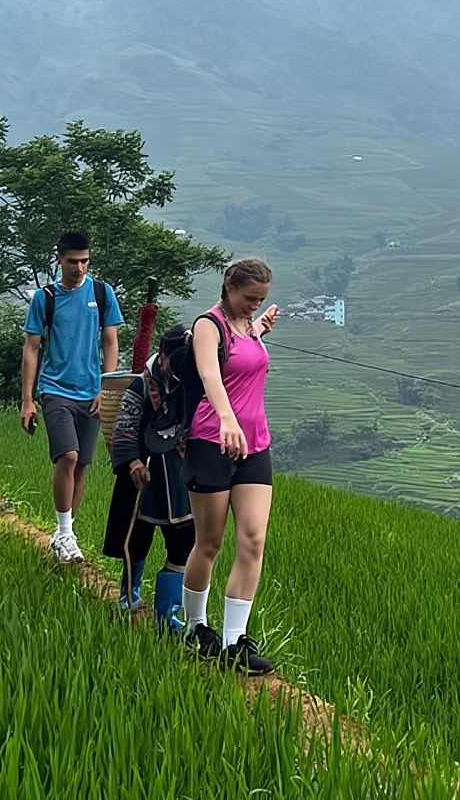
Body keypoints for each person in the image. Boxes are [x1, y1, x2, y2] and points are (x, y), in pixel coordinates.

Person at [181, 258, 280, 676]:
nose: (254, 306)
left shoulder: (247, 326)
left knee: (253, 539)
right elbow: (211, 376)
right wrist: (226, 419)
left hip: (255, 443)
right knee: (210, 542)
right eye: (249, 298)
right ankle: (195, 626)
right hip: (212, 441)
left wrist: (258, 329)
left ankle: (234, 641)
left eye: (260, 300)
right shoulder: (209, 325)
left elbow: (244, 357)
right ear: (229, 286)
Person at [21, 231, 123, 563]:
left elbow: (110, 341)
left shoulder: (102, 293)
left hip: (91, 392)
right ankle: (65, 533)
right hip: (55, 389)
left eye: (84, 261)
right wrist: (27, 399)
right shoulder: (45, 298)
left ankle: (65, 535)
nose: (79, 268)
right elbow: (32, 348)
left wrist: (106, 386)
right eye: (72, 262)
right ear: (59, 260)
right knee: (68, 456)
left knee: (81, 465)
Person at [103, 325, 195, 630]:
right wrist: (133, 464)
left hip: (182, 478)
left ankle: (168, 614)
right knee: (136, 540)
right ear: (163, 355)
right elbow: (124, 429)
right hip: (143, 478)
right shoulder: (142, 386)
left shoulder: (194, 383)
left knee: (184, 543)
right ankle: (129, 596)